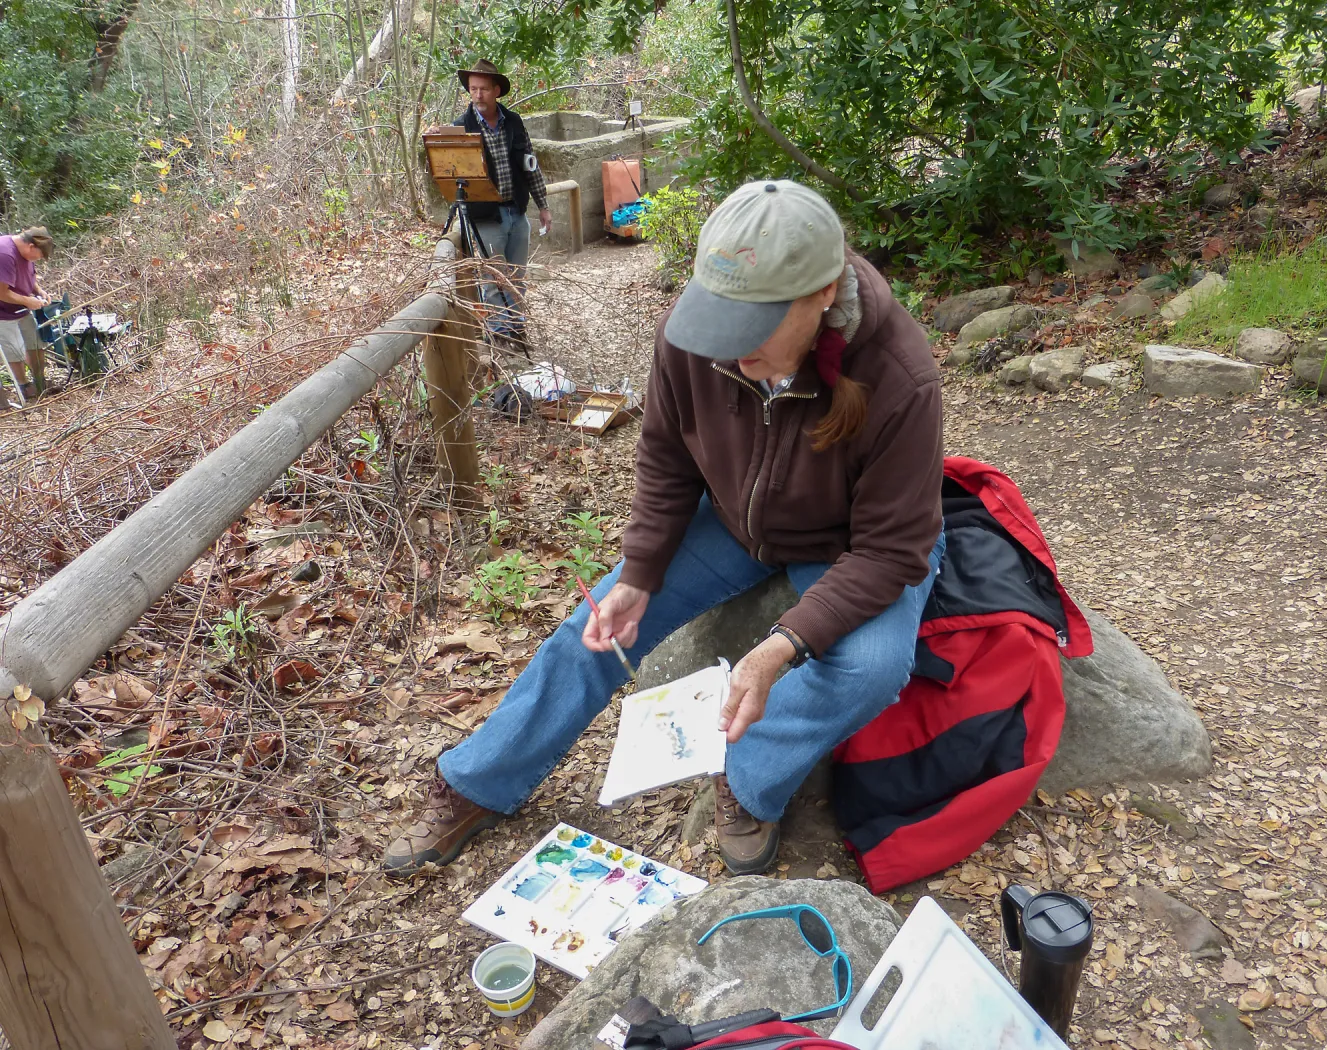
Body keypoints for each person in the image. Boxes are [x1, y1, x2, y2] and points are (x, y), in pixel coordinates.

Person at [383, 180, 945, 878]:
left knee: (871, 666)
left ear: (824, 293)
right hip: (735, 525)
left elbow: (893, 549)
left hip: (850, 546)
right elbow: (665, 457)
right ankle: (479, 780)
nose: (732, 347)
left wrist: (783, 644)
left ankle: (747, 777)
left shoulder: (898, 373)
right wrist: (642, 571)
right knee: (598, 623)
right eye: (723, 317)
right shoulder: (692, 332)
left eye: (757, 323)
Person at [452, 59, 552, 347]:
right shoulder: (461, 128)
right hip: (486, 216)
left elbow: (530, 165)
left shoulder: (513, 122)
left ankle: (517, 329)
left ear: (496, 91)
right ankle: (498, 335)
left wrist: (542, 205)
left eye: (484, 89)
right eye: (473, 89)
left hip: (516, 211)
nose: (478, 95)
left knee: (517, 276)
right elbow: (448, 170)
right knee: (493, 278)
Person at [0, 226, 52, 408]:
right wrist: (28, 301)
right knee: (14, 350)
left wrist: (38, 291)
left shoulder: (26, 253)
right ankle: (23, 386)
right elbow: (2, 292)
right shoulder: (5, 254)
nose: (37, 260)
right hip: (3, 312)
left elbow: (29, 275)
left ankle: (40, 381)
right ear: (31, 246)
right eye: (38, 256)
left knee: (35, 343)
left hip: (21, 308)